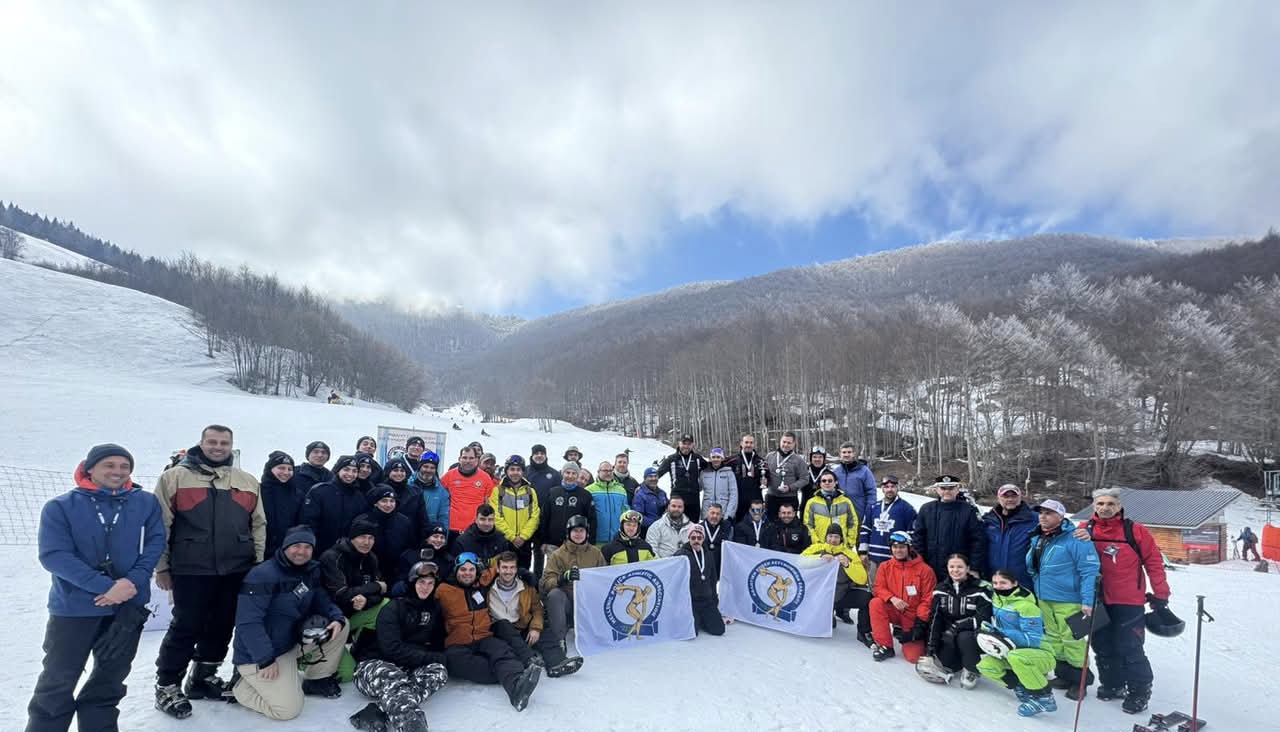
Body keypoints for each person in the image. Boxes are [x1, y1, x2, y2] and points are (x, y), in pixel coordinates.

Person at [27, 444, 165, 732]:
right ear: (90, 468)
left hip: (128, 606)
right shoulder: (61, 507)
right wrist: (105, 586)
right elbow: (54, 555)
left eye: (124, 466)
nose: (117, 471)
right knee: (58, 680)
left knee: (109, 681)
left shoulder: (145, 502)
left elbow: (154, 544)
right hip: (74, 607)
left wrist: (131, 583)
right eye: (109, 465)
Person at [154, 425, 267, 718]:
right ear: (201, 443)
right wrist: (162, 566)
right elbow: (161, 526)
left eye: (224, 442)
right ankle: (167, 684)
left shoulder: (246, 480)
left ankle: (203, 676)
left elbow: (258, 524)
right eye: (212, 442)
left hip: (235, 567)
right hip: (191, 568)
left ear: (232, 445)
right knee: (186, 625)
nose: (218, 447)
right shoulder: (175, 478)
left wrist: (255, 565)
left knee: (222, 624)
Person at [229, 526, 348, 720]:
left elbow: (320, 597)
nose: (302, 551)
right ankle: (240, 688)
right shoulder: (262, 575)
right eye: (296, 545)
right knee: (288, 710)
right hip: (262, 655)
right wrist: (265, 659)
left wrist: (336, 617)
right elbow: (248, 624)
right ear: (285, 547)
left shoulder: (310, 571)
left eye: (307, 547)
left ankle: (315, 680)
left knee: (342, 625)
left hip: (289, 644)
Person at [1079, 488, 1170, 714]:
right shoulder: (1084, 530)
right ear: (1094, 506)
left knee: (1130, 646)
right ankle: (1113, 684)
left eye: (1110, 503)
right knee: (1102, 645)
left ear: (1119, 506)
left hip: (1128, 599)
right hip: (1097, 599)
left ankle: (1139, 691)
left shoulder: (1135, 531)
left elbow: (1154, 563)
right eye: (1100, 503)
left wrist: (1161, 594)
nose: (1105, 508)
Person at [349, 561, 448, 732]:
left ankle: (379, 709)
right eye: (421, 582)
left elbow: (437, 643)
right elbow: (391, 649)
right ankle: (412, 725)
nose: (426, 587)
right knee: (395, 677)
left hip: (406, 668)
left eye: (430, 583)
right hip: (373, 666)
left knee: (439, 672)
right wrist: (428, 656)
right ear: (412, 583)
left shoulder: (434, 609)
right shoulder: (394, 607)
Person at [436, 553, 542, 711]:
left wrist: (521, 572)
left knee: (503, 653)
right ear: (456, 570)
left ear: (476, 571)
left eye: (471, 569)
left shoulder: (481, 583)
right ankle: (512, 671)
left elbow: (499, 566)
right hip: (458, 643)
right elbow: (424, 598)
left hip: (484, 636)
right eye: (463, 569)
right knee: (462, 664)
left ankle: (516, 690)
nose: (467, 573)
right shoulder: (443, 591)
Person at [1026, 498, 1100, 700]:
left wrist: (1087, 600)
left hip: (1069, 599)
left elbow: (1089, 570)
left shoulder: (1076, 538)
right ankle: (1064, 675)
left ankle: (1080, 680)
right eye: (1041, 512)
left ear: (1060, 516)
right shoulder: (1038, 537)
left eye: (1049, 513)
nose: (1043, 516)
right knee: (1053, 638)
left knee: (1072, 640)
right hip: (1044, 597)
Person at [492, 548, 586, 678]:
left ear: (516, 569)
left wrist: (535, 628)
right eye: (504, 567)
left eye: (512, 567)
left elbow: (537, 609)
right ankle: (530, 659)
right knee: (503, 625)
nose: (508, 571)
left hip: (521, 625)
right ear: (497, 569)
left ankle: (556, 663)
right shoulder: (487, 587)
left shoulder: (526, 587)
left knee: (546, 632)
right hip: (500, 631)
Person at [976, 570, 1058, 717]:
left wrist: (1001, 633)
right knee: (985, 666)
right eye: (995, 583)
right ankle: (1022, 686)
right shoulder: (997, 598)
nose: (998, 586)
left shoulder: (1027, 606)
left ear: (1014, 584)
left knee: (1016, 657)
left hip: (1040, 653)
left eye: (1003, 583)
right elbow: (984, 585)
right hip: (1011, 649)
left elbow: (1033, 639)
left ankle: (1045, 697)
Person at [921, 554, 991, 688]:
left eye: (960, 567)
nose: (955, 570)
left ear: (968, 568)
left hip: (971, 633)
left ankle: (972, 669)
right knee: (948, 664)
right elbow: (935, 619)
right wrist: (930, 649)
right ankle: (959, 660)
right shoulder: (940, 589)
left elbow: (983, 617)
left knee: (965, 637)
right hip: (949, 634)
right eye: (952, 566)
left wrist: (957, 626)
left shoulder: (980, 589)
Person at [868, 531, 935, 663]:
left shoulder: (925, 570)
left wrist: (919, 624)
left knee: (913, 657)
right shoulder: (885, 566)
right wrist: (892, 598)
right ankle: (885, 645)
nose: (898, 550)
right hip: (893, 609)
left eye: (902, 547)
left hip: (912, 615)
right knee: (876, 603)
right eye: (895, 547)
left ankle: (910, 635)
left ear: (909, 548)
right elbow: (878, 588)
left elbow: (928, 598)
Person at [802, 524, 871, 638]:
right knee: (823, 626)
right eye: (830, 536)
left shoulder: (849, 554)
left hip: (840, 594)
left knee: (867, 598)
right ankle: (826, 615)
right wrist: (819, 558)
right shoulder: (816, 548)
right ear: (826, 537)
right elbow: (800, 562)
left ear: (841, 539)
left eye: (836, 537)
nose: (833, 540)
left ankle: (864, 632)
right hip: (818, 595)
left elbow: (862, 578)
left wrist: (848, 565)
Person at [913, 475, 985, 581]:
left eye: (951, 488)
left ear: (957, 489)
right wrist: (920, 564)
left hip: (960, 570)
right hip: (931, 568)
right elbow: (918, 539)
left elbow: (978, 541)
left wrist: (974, 568)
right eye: (943, 488)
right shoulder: (926, 509)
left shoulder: (969, 510)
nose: (947, 491)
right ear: (937, 489)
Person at [301, 455, 367, 555]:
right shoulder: (319, 491)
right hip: (320, 550)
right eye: (346, 469)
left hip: (348, 552)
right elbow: (308, 523)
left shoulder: (359, 497)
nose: (350, 474)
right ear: (338, 470)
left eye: (354, 471)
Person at [859, 475, 917, 587]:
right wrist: (863, 552)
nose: (890, 489)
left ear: (898, 488)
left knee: (894, 588)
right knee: (875, 588)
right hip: (873, 557)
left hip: (895, 558)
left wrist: (907, 555)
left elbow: (912, 534)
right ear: (882, 488)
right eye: (886, 487)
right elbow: (865, 529)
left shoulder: (907, 509)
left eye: (893, 486)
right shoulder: (873, 507)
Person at [355, 485, 416, 585]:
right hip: (369, 572)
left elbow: (410, 547)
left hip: (396, 573)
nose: (388, 505)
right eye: (384, 501)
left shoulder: (404, 521)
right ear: (375, 503)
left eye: (392, 501)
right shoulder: (363, 521)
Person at [983, 484, 1038, 587]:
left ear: (1020, 498)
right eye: (1006, 496)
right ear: (998, 498)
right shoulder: (987, 521)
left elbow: (1058, 523)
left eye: (1014, 496)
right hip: (994, 580)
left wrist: (1077, 531)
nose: (1010, 499)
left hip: (1022, 581)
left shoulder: (1034, 519)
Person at [675, 524, 725, 636]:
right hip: (690, 602)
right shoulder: (681, 555)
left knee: (719, 630)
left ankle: (702, 620)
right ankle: (696, 620)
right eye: (693, 538)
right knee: (692, 632)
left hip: (706, 601)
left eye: (699, 537)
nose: (696, 540)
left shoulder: (708, 554)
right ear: (689, 538)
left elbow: (713, 579)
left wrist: (714, 599)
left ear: (703, 539)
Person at [540, 462, 594, 553]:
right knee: (553, 567)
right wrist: (543, 540)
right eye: (567, 473)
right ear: (562, 474)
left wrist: (590, 542)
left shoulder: (585, 495)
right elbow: (545, 517)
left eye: (574, 473)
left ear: (577, 476)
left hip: (576, 544)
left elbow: (591, 520)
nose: (570, 476)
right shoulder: (553, 492)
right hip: (553, 544)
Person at [261, 451, 307, 557]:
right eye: (281, 468)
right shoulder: (259, 491)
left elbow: (301, 522)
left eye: (290, 469)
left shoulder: (298, 494)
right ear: (270, 469)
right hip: (261, 547)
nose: (286, 472)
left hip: (287, 548)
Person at [440, 446, 496, 534]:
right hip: (452, 527)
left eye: (471, 458)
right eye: (464, 457)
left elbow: (490, 503)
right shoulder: (449, 476)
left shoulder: (485, 478)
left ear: (476, 460)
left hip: (475, 527)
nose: (467, 461)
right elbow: (439, 496)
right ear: (459, 459)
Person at [655, 433, 709, 522]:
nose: (686, 446)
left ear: (692, 445)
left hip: (693, 500)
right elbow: (657, 474)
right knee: (675, 528)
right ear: (679, 443)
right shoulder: (671, 459)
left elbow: (712, 467)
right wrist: (642, 486)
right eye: (684, 443)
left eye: (689, 444)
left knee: (693, 529)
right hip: (677, 499)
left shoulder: (697, 459)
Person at [802, 469, 860, 549]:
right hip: (820, 547)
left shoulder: (845, 501)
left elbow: (853, 523)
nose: (827, 483)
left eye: (830, 480)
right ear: (820, 483)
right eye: (824, 481)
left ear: (835, 482)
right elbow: (808, 525)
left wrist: (849, 543)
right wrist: (817, 543)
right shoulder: (812, 502)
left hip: (841, 547)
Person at [526, 445, 561, 577]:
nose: (539, 455)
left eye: (542, 453)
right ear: (532, 455)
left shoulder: (554, 474)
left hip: (545, 520)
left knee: (541, 553)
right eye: (536, 453)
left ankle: (540, 582)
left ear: (546, 455)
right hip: (525, 519)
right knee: (525, 553)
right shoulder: (525, 471)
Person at [397, 523, 456, 593]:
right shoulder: (410, 556)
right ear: (427, 538)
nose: (439, 540)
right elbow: (401, 582)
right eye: (435, 536)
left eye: (442, 537)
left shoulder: (448, 560)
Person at [382, 457, 428, 546]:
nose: (399, 473)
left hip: (409, 541)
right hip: (384, 541)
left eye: (402, 471)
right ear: (388, 472)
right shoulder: (379, 490)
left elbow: (423, 520)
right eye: (395, 470)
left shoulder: (416, 493)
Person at [725, 434, 768, 523]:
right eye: (746, 442)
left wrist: (766, 481)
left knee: (756, 525)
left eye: (751, 443)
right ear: (741, 443)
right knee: (739, 526)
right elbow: (717, 466)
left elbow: (768, 478)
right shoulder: (732, 461)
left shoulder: (761, 461)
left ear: (754, 444)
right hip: (738, 501)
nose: (748, 445)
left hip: (755, 500)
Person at [831, 442, 877, 524]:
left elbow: (871, 492)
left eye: (849, 452)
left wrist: (869, 510)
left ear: (854, 454)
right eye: (844, 452)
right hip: (841, 514)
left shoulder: (864, 471)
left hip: (859, 512)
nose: (846, 455)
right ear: (840, 454)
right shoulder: (836, 471)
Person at [587, 461, 630, 548]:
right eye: (605, 471)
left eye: (610, 471)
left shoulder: (621, 490)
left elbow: (625, 513)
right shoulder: (589, 490)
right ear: (598, 472)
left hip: (617, 539)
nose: (609, 473)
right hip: (596, 540)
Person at [765, 431, 807, 519]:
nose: (786, 445)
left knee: (789, 524)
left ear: (794, 444)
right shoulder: (770, 456)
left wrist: (790, 487)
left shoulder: (799, 460)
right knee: (771, 524)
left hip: (789, 498)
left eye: (789, 443)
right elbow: (764, 474)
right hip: (772, 497)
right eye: (784, 442)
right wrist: (764, 480)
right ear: (780, 441)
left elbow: (804, 479)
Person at [409, 452, 449, 532]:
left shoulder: (442, 492)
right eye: (425, 466)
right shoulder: (407, 485)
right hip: (408, 533)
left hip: (430, 535)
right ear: (420, 467)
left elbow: (444, 518)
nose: (428, 470)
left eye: (432, 468)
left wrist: (442, 537)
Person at [699, 447, 739, 520]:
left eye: (718, 457)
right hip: (707, 514)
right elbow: (698, 488)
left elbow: (734, 495)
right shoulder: (704, 472)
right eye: (713, 457)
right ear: (710, 458)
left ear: (722, 458)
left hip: (723, 514)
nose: (715, 459)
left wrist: (729, 515)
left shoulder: (729, 473)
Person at [699, 503, 734, 582]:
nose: (715, 516)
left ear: (722, 515)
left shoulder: (727, 528)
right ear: (707, 513)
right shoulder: (699, 527)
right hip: (703, 567)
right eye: (712, 513)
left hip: (721, 568)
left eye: (718, 514)